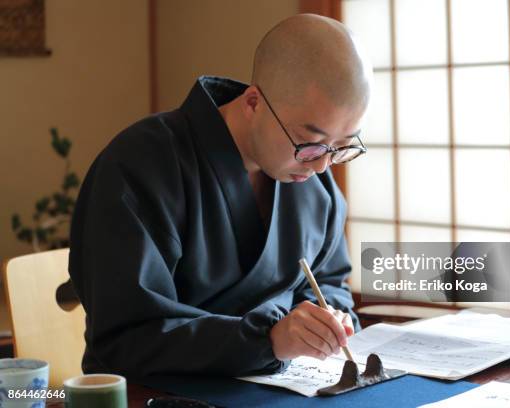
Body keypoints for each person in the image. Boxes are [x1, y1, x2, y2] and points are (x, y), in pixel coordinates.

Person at [68, 13, 372, 378]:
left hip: (277, 388)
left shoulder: (314, 184)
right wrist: (267, 340)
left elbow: (329, 283)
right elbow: (126, 335)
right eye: (310, 143)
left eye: (342, 146)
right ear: (254, 102)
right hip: (155, 392)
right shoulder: (140, 164)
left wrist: (326, 323)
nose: (323, 166)